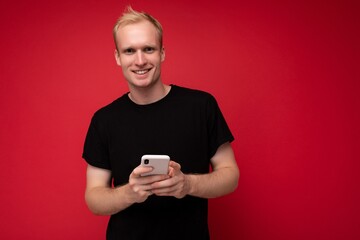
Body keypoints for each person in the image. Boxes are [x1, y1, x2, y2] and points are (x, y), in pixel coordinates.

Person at [82, 6, 239, 240]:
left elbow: (230, 175)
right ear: (117, 57)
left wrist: (187, 184)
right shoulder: (104, 120)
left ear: (162, 52)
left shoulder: (201, 105)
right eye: (129, 51)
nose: (140, 60)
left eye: (148, 49)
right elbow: (94, 198)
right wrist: (131, 193)